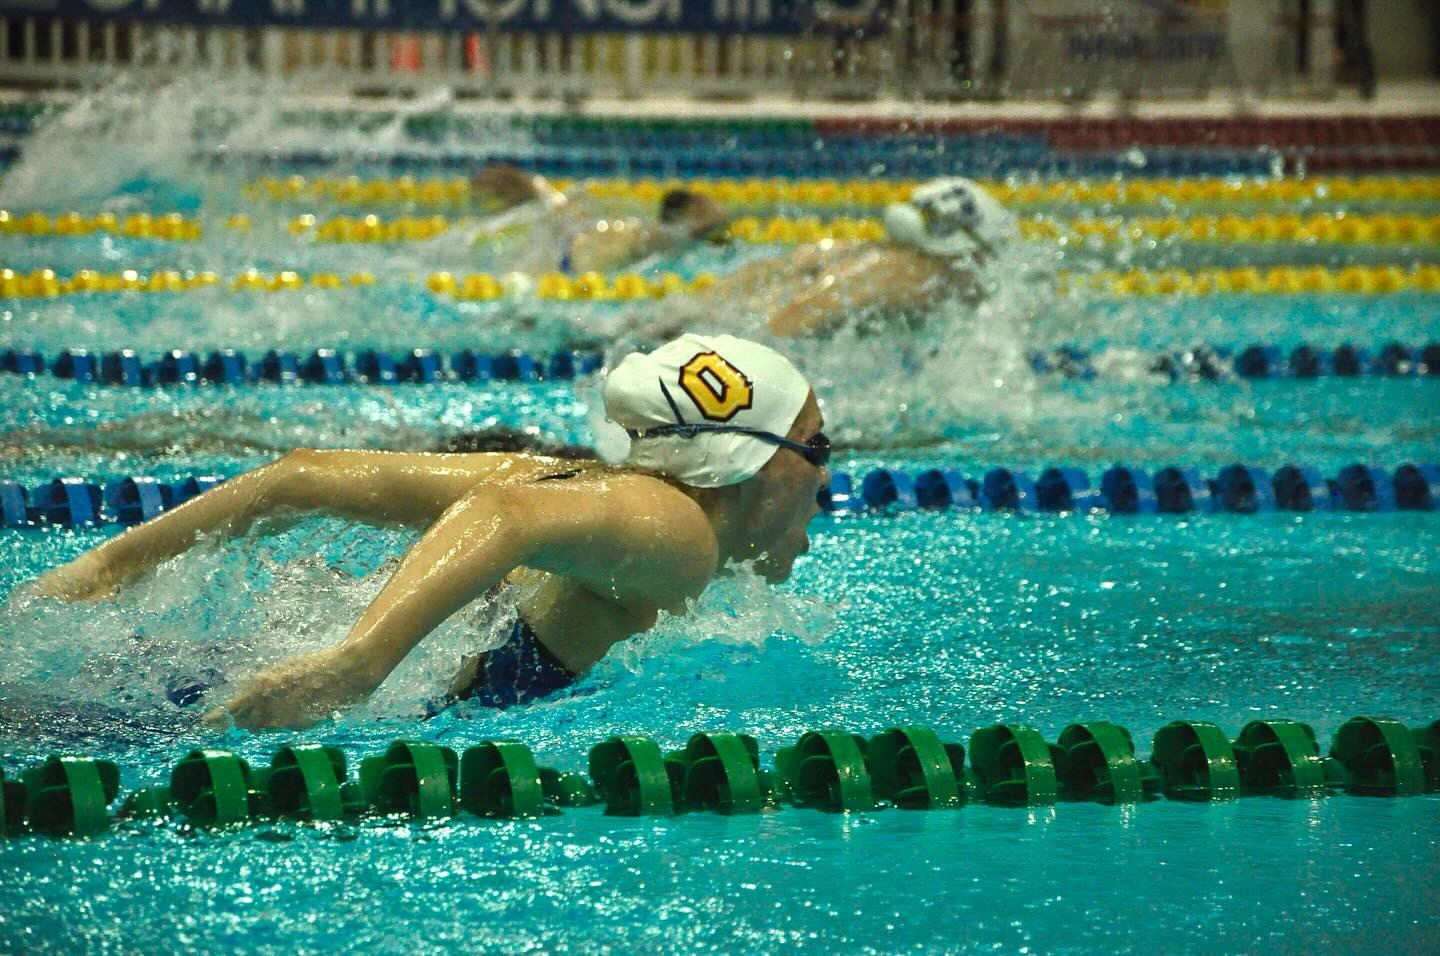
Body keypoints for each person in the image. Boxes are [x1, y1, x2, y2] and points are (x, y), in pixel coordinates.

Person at [30, 334, 830, 732]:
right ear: (758, 463)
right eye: (817, 449)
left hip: (207, 671)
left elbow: (298, 475)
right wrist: (352, 668)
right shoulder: (681, 535)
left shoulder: (570, 483)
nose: (827, 483)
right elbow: (507, 522)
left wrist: (102, 567)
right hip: (287, 706)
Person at [639, 176, 1019, 340]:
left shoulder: (857, 250)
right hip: (724, 332)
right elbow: (781, 324)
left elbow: (757, 275)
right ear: (965, 247)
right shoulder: (909, 275)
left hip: (694, 313)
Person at [471, 163, 730, 275]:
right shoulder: (657, 235)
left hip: (566, 252)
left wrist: (538, 187)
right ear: (692, 210)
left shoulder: (632, 228)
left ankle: (534, 186)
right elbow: (702, 231)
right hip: (575, 265)